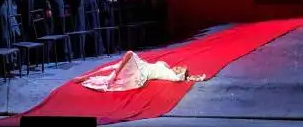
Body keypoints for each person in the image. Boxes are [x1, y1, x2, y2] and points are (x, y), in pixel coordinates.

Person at [72, 50, 205, 92]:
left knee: (129, 54)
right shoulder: (166, 66)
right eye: (179, 67)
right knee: (114, 66)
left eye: (179, 70)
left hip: (141, 73)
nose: (177, 67)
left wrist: (192, 77)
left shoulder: (170, 74)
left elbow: (180, 78)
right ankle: (85, 77)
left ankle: (114, 76)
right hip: (142, 65)